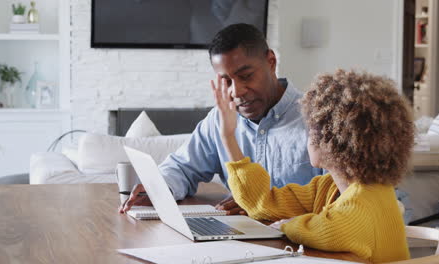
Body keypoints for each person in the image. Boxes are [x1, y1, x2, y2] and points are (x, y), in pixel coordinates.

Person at [119, 23, 324, 214]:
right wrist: (157, 188)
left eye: (246, 76)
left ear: (271, 62)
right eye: (226, 81)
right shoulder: (220, 119)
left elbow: (341, 200)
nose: (237, 91)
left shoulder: (319, 118)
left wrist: (261, 207)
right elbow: (182, 167)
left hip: (304, 243)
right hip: (236, 238)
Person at [214, 69, 413, 263]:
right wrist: (228, 136)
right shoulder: (329, 186)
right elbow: (264, 203)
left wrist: (290, 226)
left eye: (311, 129)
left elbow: (331, 230)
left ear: (331, 140)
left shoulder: (365, 199)